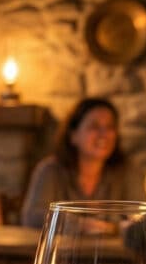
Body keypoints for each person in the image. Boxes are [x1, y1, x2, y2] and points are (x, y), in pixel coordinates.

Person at [20, 97, 134, 229]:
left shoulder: (126, 172)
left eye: (110, 127)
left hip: (112, 250)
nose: (104, 134)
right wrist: (82, 225)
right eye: (94, 126)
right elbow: (32, 217)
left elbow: (143, 218)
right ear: (73, 136)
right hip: (64, 249)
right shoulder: (50, 170)